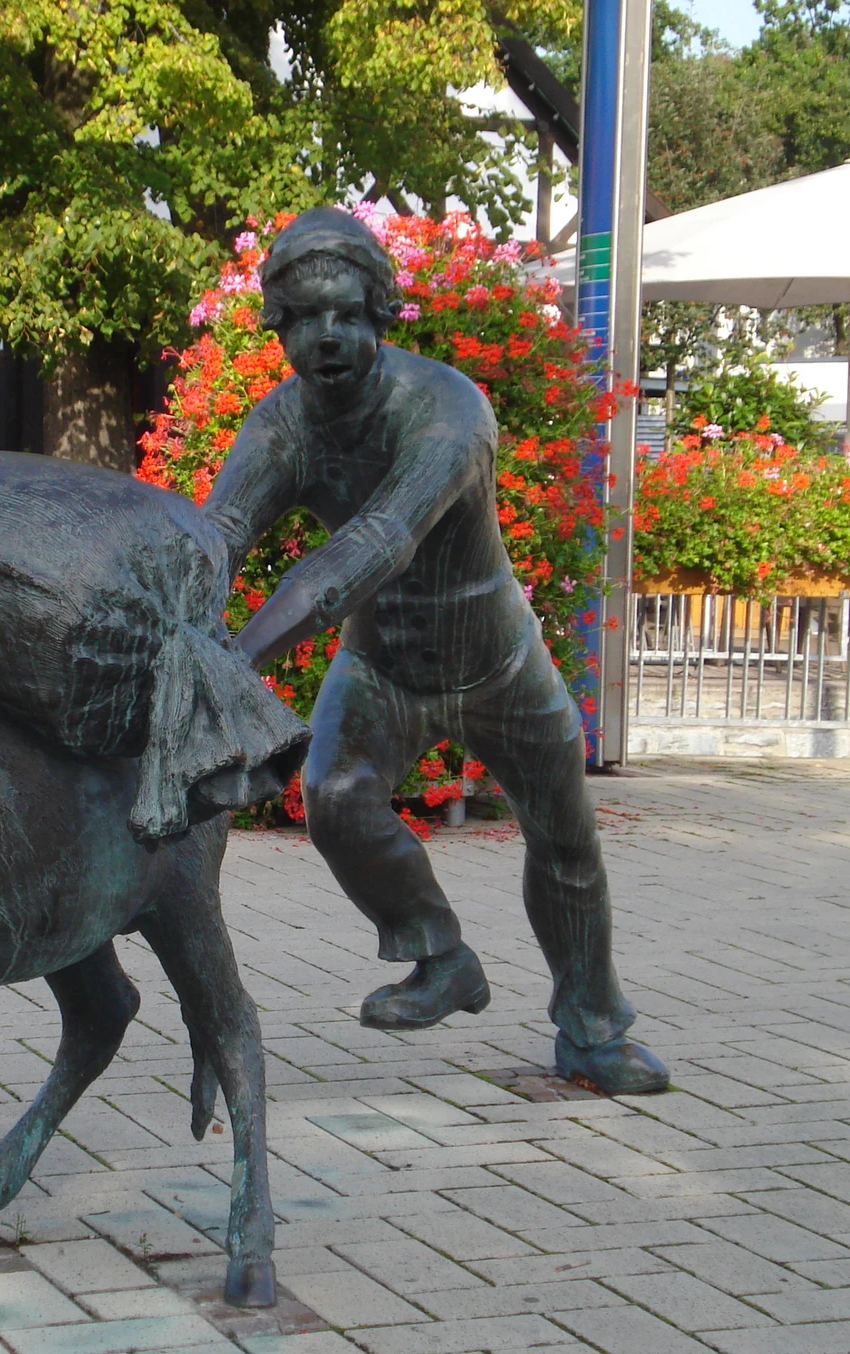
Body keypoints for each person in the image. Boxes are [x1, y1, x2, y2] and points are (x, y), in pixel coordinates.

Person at [202, 207, 668, 1095]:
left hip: (498, 663)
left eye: (347, 313)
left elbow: (370, 548)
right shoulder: (283, 426)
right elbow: (220, 532)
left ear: (382, 312)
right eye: (305, 318)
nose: (327, 336)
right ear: (280, 326)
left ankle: (592, 1031)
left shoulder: (449, 408)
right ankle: (440, 954)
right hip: (384, 667)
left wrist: (232, 662)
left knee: (565, 841)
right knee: (335, 797)